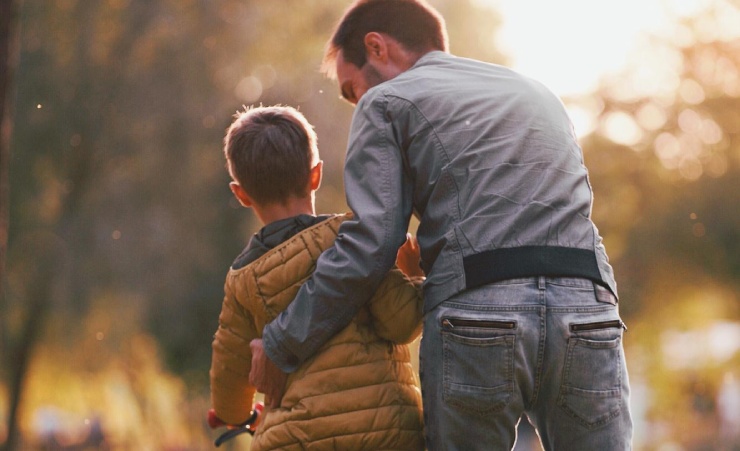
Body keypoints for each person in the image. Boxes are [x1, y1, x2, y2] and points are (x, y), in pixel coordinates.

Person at [251, 0, 634, 449]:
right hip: (588, 311)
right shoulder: (535, 90)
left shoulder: (386, 101)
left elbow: (370, 243)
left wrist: (282, 343)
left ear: (376, 47)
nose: (358, 104)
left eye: (351, 90)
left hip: (478, 313)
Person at [209, 105, 426, 450]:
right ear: (316, 175)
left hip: (293, 440)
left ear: (241, 194)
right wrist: (413, 276)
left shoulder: (242, 279)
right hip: (386, 433)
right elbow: (402, 323)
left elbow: (229, 381)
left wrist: (237, 415)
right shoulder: (354, 241)